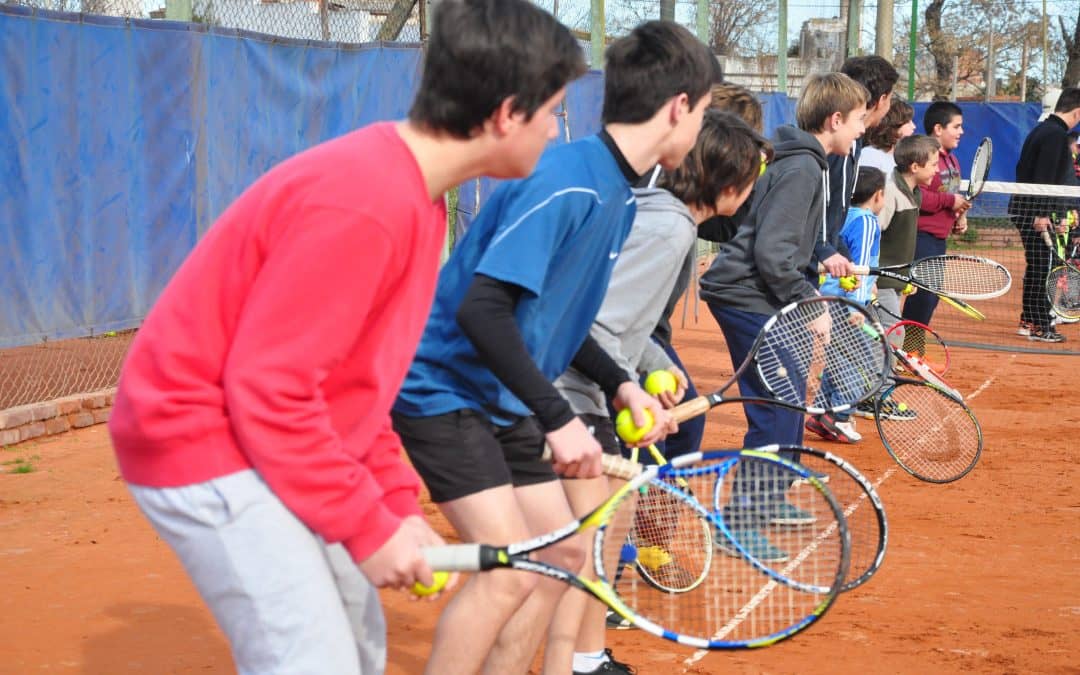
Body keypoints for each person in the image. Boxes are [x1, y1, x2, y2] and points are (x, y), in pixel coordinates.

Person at [104, 2, 589, 673]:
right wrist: (366, 526)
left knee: (358, 648)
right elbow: (270, 389)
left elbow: (356, 387)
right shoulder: (368, 200)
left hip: (257, 433)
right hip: (200, 437)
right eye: (553, 112)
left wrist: (393, 506)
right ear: (508, 113)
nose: (556, 130)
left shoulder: (415, 197)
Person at [391, 21, 718, 675]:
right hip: (447, 392)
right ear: (679, 107)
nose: (701, 126)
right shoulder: (569, 180)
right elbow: (481, 308)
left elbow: (564, 319)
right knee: (510, 569)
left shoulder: (620, 194)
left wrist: (620, 382)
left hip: (504, 399)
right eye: (704, 112)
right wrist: (560, 416)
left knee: (562, 555)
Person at [548, 110, 770, 670]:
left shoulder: (662, 215)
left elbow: (627, 321)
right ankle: (572, 659)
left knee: (602, 531)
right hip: (571, 390)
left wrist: (653, 368)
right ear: (729, 185)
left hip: (584, 384)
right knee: (587, 541)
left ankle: (586, 656)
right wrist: (628, 387)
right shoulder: (670, 230)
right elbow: (586, 321)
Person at [698, 72, 869, 561]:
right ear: (834, 120)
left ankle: (772, 494)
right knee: (774, 406)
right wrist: (808, 299)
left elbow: (788, 238)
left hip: (763, 295)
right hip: (747, 296)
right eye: (858, 120)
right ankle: (739, 522)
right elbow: (772, 252)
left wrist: (820, 256)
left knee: (789, 400)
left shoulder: (804, 163)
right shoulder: (802, 169)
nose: (862, 129)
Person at [646, 82, 767, 466]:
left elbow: (727, 226)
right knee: (656, 437)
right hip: (629, 342)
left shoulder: (683, 212)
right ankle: (642, 497)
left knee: (682, 428)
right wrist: (641, 363)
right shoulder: (664, 218)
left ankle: (652, 497)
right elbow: (610, 316)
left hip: (644, 336)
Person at [806, 166, 887, 443]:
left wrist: (869, 286)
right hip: (846, 304)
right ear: (878, 195)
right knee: (860, 363)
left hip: (831, 300)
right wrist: (857, 308)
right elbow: (860, 264)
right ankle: (839, 418)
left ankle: (822, 413)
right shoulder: (867, 221)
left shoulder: (840, 216)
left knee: (838, 360)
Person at [817, 55, 900, 279]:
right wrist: (825, 250)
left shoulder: (851, 142)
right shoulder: (842, 145)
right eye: (891, 98)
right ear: (882, 99)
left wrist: (841, 253)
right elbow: (823, 206)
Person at [1009, 87, 1080, 343]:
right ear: (1077, 112)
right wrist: (1041, 214)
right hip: (1035, 214)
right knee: (1043, 268)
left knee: (1038, 266)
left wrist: (1058, 214)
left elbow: (1054, 180)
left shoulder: (1045, 131)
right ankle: (1039, 325)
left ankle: (1029, 320)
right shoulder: (1055, 135)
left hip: (1032, 211)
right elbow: (1044, 178)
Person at [900, 101, 972, 327]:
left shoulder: (952, 160)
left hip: (938, 239)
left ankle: (910, 345)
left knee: (929, 299)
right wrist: (951, 202)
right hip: (920, 237)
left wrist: (959, 216)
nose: (961, 132)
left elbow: (950, 194)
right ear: (938, 129)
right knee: (922, 298)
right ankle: (905, 345)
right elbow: (916, 195)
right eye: (956, 126)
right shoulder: (922, 156)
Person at [859, 95, 916, 177]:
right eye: (908, 122)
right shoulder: (869, 155)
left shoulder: (905, 157)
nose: (913, 126)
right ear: (893, 124)